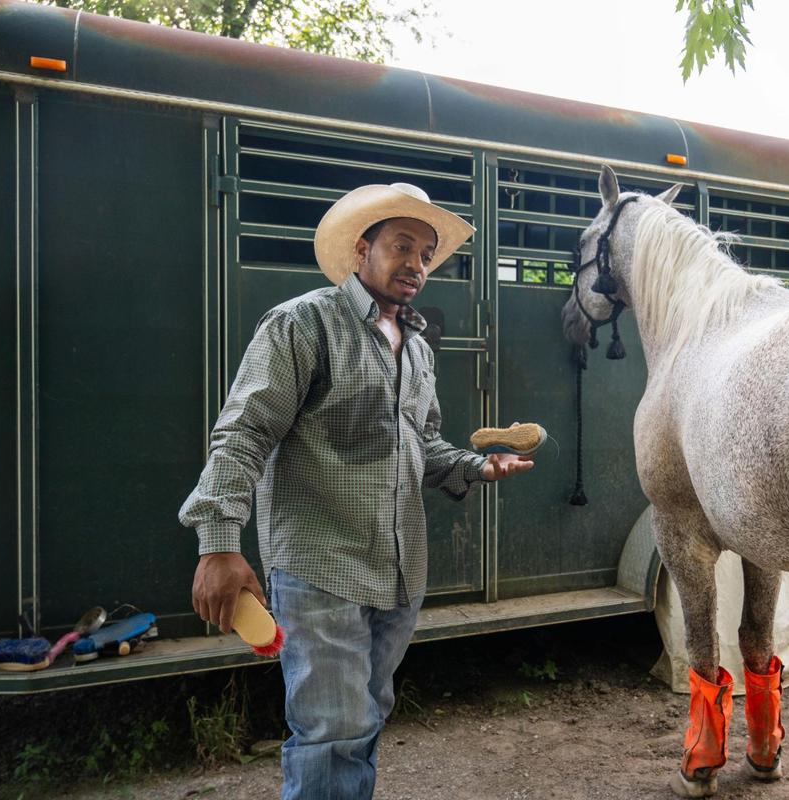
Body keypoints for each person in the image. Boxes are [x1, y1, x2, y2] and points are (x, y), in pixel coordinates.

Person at [179, 182, 534, 799]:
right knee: (332, 732)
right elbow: (244, 433)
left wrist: (479, 467)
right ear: (361, 250)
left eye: (426, 254)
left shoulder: (418, 349)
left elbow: (421, 448)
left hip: (397, 573)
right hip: (320, 568)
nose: (416, 265)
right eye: (402, 246)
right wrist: (217, 543)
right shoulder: (304, 323)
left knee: (363, 726)